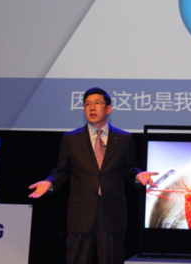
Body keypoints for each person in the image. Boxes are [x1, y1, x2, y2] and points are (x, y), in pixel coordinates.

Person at [29, 87, 158, 264]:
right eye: (87, 104)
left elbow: (129, 168)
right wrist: (49, 182)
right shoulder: (71, 138)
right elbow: (61, 170)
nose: (92, 107)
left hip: (112, 211)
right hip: (81, 211)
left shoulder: (123, 138)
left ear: (108, 109)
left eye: (97, 103)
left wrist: (138, 176)